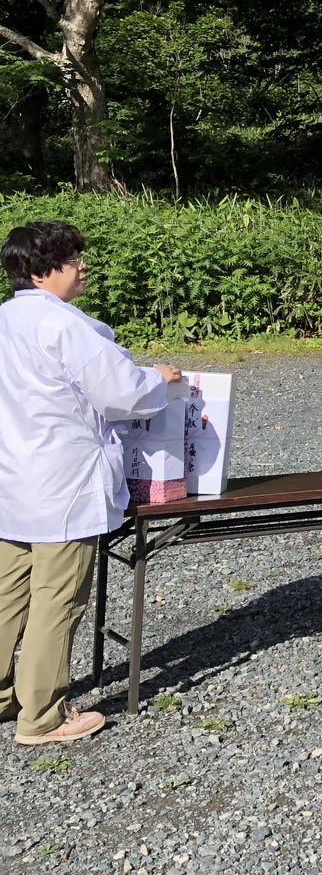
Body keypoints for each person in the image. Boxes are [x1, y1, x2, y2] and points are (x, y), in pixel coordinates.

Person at [0, 221, 181, 744]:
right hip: (64, 483)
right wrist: (159, 380)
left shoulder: (5, 320)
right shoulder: (67, 326)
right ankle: (43, 717)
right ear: (39, 271)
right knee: (58, 600)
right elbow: (121, 394)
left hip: (14, 481)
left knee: (8, 596)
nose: (82, 266)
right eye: (72, 258)